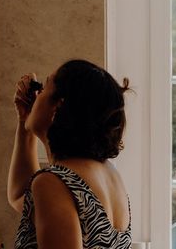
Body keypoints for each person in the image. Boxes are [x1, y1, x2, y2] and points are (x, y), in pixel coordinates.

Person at [8, 59, 132, 249]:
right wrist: (25, 121)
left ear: (58, 106)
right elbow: (20, 196)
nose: (37, 95)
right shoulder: (109, 174)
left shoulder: (52, 183)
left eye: (44, 89)